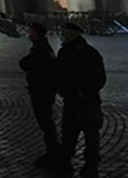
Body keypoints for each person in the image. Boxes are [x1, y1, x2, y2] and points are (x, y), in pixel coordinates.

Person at [54, 22, 105, 177]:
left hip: (80, 101)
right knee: (85, 136)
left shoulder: (76, 53)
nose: (63, 35)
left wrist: (80, 92)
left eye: (65, 32)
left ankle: (74, 164)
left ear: (72, 33)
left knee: (76, 134)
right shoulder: (88, 52)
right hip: (80, 100)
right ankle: (87, 165)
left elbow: (97, 77)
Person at [19, 22, 59, 168]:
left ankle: (53, 153)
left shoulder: (40, 48)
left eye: (30, 32)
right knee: (47, 122)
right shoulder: (45, 47)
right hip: (45, 89)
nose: (28, 34)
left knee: (46, 122)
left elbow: (25, 63)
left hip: (41, 90)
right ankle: (53, 151)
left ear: (35, 33)